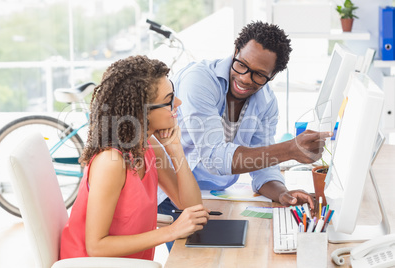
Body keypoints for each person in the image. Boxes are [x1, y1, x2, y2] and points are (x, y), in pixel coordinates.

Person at [158, 21, 332, 250]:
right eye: (242, 65)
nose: (246, 79)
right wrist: (290, 150)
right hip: (174, 196)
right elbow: (215, 157)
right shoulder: (199, 81)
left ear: (273, 75)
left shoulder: (267, 103)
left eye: (260, 75)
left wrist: (282, 194)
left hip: (214, 196)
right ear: (235, 52)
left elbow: (264, 169)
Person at [60, 55, 209, 261]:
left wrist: (175, 150)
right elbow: (96, 246)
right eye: (169, 100)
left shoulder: (148, 147)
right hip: (92, 264)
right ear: (141, 113)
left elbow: (190, 206)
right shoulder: (110, 162)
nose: (179, 103)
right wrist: (172, 231)